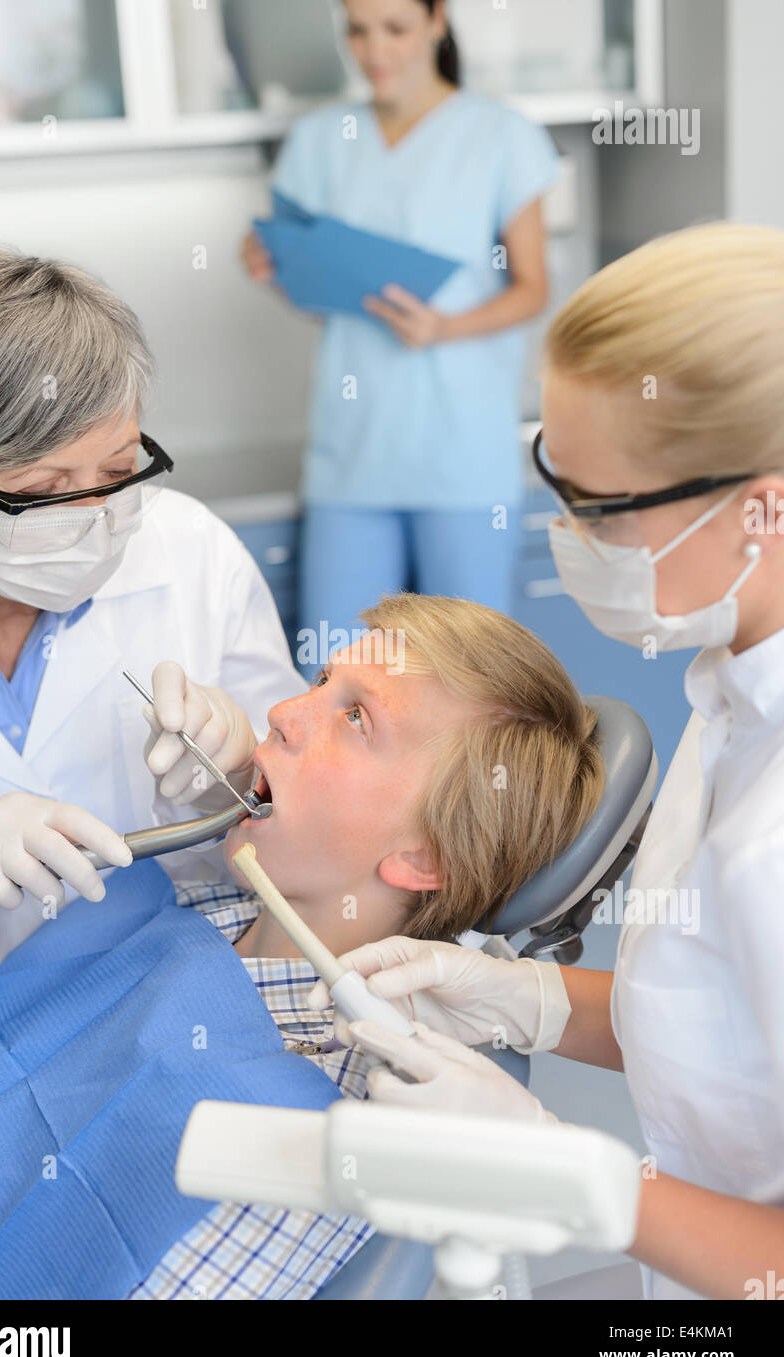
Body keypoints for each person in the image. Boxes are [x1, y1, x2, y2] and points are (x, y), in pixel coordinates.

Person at [327, 223, 784, 1301]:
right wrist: (525, 999)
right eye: (552, 475)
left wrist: (568, 1168)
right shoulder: (732, 684)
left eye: (601, 507)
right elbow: (726, 1030)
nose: (563, 530)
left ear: (761, 505)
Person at [0, 593, 605, 1299]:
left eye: (355, 717)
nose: (279, 712)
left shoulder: (305, 1138)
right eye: (320, 683)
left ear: (424, 857)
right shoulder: (167, 897)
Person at [0, 248, 305, 1042]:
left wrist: (241, 778)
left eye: (120, 469)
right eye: (41, 493)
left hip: (159, 1020)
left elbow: (315, 841)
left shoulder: (191, 551)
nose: (97, 517)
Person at [241, 0, 559, 674]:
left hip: (462, 462)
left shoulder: (500, 136)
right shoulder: (320, 139)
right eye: (357, 31)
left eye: (394, 29)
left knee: (471, 690)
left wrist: (445, 327)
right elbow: (327, 297)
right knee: (333, 676)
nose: (373, 50)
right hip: (351, 460)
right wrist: (278, 270)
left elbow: (532, 286)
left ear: (437, 21)